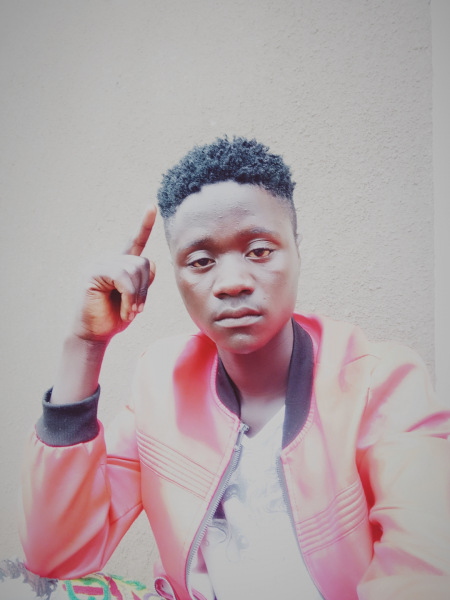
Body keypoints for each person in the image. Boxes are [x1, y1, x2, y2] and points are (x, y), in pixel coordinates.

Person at [19, 137, 450, 600]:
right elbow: (57, 556)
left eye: (260, 251)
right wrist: (85, 344)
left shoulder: (380, 382)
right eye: (201, 261)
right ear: (175, 275)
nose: (232, 282)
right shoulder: (160, 384)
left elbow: (424, 566)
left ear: (296, 250)